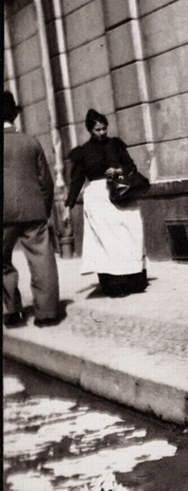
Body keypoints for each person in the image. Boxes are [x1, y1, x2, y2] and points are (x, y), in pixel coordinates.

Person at [64, 109, 148, 297]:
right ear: (90, 130)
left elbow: (131, 167)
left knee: (130, 233)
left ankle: (135, 278)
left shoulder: (116, 145)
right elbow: (77, 180)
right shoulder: (83, 152)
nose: (102, 133)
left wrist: (117, 171)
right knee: (107, 239)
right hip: (98, 198)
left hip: (121, 192)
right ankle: (113, 283)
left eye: (104, 128)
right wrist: (68, 206)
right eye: (98, 130)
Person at [2, 90, 61, 327]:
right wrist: (44, 209)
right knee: (42, 259)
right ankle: (47, 313)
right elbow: (45, 181)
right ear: (14, 116)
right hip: (33, 209)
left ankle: (13, 311)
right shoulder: (31, 142)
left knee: (2, 262)